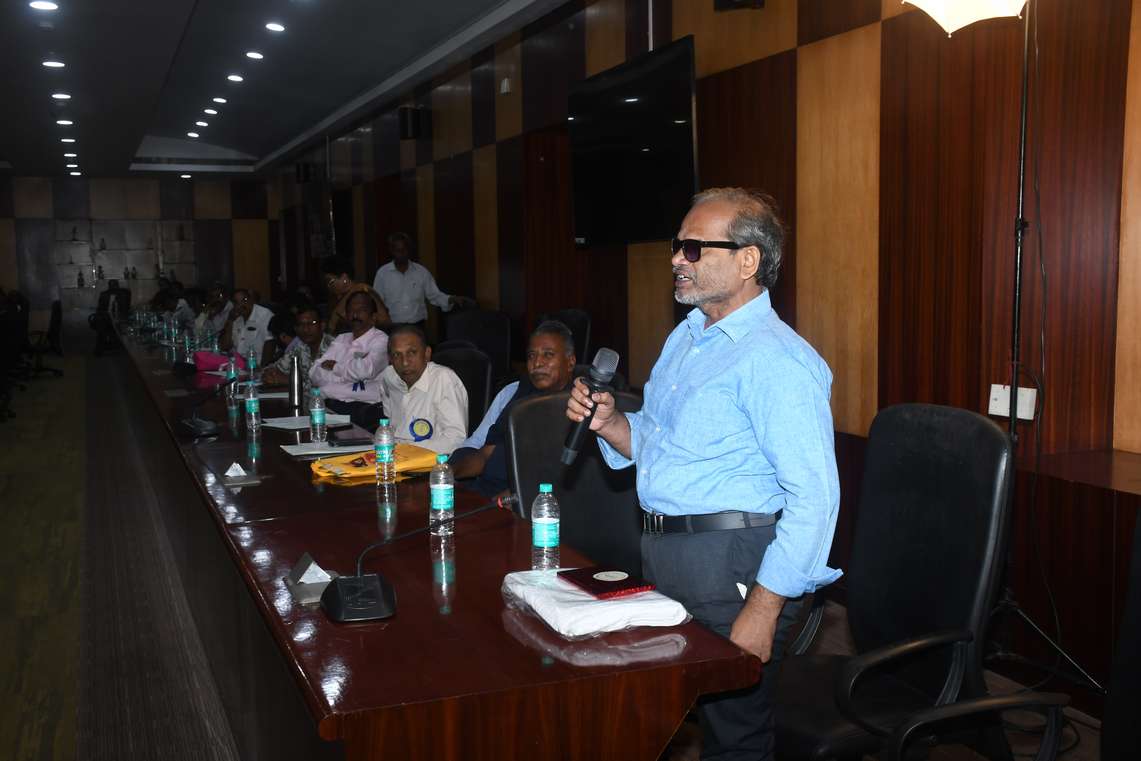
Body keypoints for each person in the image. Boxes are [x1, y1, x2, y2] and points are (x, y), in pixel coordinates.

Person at [566, 188, 840, 761]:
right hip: (670, 555)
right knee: (671, 716)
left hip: (734, 565)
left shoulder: (777, 360)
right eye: (677, 245)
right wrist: (612, 424)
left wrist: (763, 609)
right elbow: (663, 446)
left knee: (735, 736)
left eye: (693, 248)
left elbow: (815, 499)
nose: (676, 259)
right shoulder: (687, 337)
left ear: (748, 261)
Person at [450, 320, 577, 496]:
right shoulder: (518, 394)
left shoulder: (581, 407)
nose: (537, 363)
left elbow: (563, 477)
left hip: (533, 499)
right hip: (487, 492)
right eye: (531, 355)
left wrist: (515, 497)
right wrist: (448, 473)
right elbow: (485, 455)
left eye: (548, 355)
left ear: (570, 362)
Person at [377, 324, 468, 454]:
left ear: (427, 354)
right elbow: (389, 422)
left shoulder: (443, 379)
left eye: (411, 353)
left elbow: (456, 439)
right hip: (393, 455)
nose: (405, 362)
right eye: (397, 355)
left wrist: (407, 451)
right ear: (390, 359)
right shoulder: (389, 377)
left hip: (430, 459)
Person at [309, 291, 389, 432]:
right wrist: (347, 376)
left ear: (373, 317)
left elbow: (365, 371)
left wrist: (335, 367)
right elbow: (314, 373)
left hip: (364, 410)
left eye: (361, 310)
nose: (355, 315)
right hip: (332, 406)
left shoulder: (382, 340)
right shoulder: (342, 339)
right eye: (351, 311)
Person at [371, 232, 474, 328]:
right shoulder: (382, 273)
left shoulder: (421, 272)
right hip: (392, 327)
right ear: (391, 251)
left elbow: (435, 295)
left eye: (404, 249)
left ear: (409, 250)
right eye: (398, 250)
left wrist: (453, 299)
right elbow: (376, 301)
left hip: (417, 326)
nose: (402, 253)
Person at [261, 306, 334, 394]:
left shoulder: (334, 347)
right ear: (295, 329)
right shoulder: (300, 347)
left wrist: (290, 380)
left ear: (322, 325)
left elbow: (325, 386)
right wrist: (270, 375)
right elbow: (274, 368)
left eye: (312, 323)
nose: (305, 329)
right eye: (300, 324)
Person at [323, 257, 390, 334]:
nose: (329, 286)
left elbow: (384, 322)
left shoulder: (363, 291)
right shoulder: (337, 298)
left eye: (330, 282)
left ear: (344, 278)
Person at [220, 288, 274, 365]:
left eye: (244, 300)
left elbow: (270, 342)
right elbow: (225, 346)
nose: (241, 305)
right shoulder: (236, 318)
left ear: (251, 299)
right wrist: (230, 321)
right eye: (237, 302)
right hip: (236, 364)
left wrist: (263, 368)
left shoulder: (264, 314)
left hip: (256, 365)